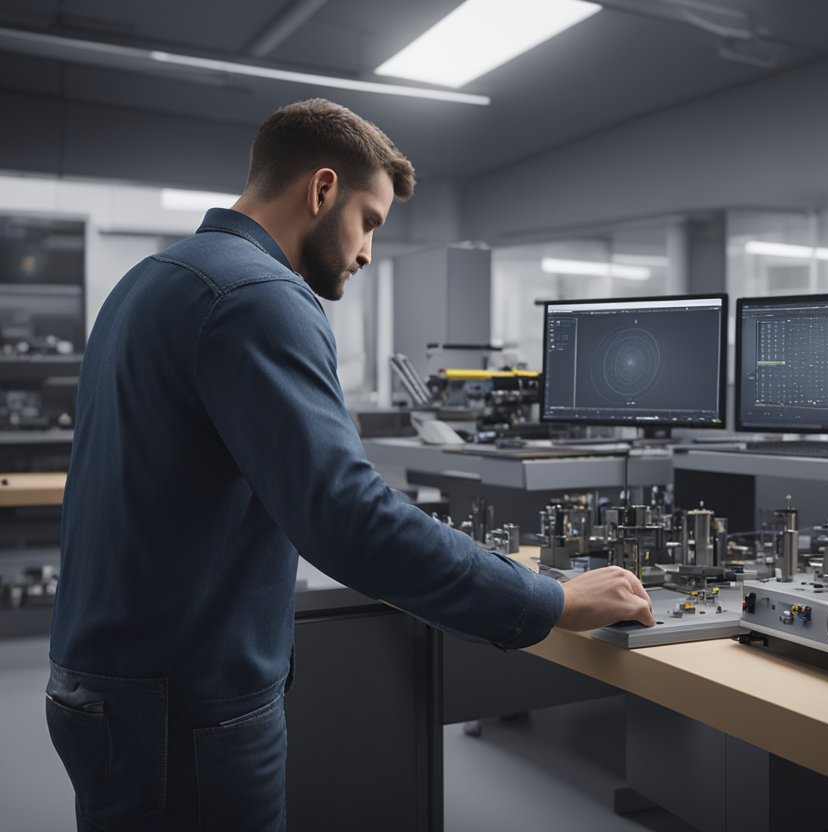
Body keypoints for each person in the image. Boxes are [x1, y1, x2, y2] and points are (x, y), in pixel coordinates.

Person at [46, 98, 655, 831]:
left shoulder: (152, 280)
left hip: (104, 686)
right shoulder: (261, 296)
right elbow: (348, 518)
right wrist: (549, 601)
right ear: (322, 188)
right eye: (368, 221)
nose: (368, 252)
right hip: (187, 706)